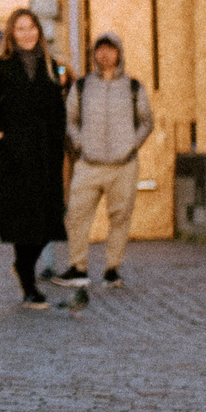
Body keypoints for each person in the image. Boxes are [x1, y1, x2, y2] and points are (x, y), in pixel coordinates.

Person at [0, 9, 70, 310]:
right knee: (22, 221)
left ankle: (23, 266)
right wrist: (0, 135)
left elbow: (59, 110)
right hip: (16, 156)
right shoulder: (0, 68)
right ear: (11, 34)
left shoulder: (52, 67)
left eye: (31, 28)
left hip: (46, 155)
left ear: (38, 31)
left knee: (49, 219)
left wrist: (59, 143)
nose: (26, 34)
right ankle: (28, 284)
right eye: (20, 29)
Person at [58, 33, 153, 289]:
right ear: (94, 55)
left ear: (119, 53)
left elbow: (146, 121)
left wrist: (132, 144)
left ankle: (112, 269)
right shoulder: (82, 87)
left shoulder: (134, 87)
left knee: (120, 217)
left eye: (110, 49)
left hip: (124, 165)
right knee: (77, 214)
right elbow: (69, 120)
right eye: (100, 50)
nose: (105, 55)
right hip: (89, 164)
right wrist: (80, 144)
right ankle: (78, 267)